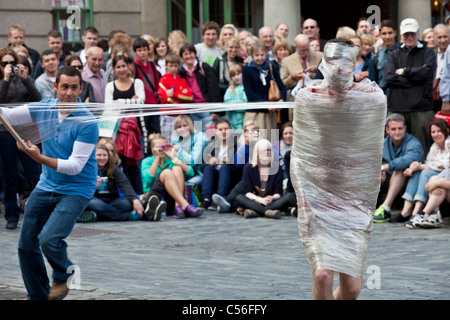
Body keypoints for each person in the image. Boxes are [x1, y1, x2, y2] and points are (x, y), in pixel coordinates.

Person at [290, 38, 387, 300]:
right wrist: (305, 201)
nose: (340, 68)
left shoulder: (372, 100)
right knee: (322, 276)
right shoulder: (308, 99)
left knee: (353, 288)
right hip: (318, 196)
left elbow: (371, 155)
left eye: (346, 62)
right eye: (333, 61)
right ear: (324, 62)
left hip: (353, 199)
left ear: (354, 63)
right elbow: (299, 157)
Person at [0, 66, 99, 300]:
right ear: (55, 87)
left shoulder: (87, 122)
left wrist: (38, 157)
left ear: (81, 88)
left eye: (74, 87)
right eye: (64, 86)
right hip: (47, 186)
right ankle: (37, 296)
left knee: (49, 239)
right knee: (25, 244)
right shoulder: (44, 107)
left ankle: (63, 276)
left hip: (76, 189)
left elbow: (74, 166)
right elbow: (9, 115)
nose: (68, 92)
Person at [0, 47, 41, 230]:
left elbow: (37, 98)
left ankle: (44, 210)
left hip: (25, 131)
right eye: (4, 63)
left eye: (11, 63)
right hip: (4, 131)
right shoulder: (3, 81)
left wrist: (25, 78)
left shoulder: (23, 78)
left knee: (34, 172)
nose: (8, 66)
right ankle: (12, 215)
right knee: (10, 175)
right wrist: (6, 79)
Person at [385, 18, 437, 151]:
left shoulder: (428, 53)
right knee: (394, 148)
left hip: (421, 109)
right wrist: (414, 77)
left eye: (412, 34)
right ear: (401, 35)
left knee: (422, 148)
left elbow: (426, 73)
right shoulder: (393, 54)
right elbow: (390, 77)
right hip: (397, 107)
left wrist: (404, 71)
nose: (409, 37)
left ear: (418, 33)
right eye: (406, 34)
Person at [391, 118, 449, 223]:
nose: (436, 134)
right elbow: (429, 162)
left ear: (446, 131)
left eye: (439, 131)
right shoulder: (434, 147)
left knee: (425, 172)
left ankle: (416, 211)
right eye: (433, 132)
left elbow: (445, 165)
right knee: (418, 172)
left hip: (445, 175)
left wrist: (422, 166)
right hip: (438, 175)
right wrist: (418, 166)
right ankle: (406, 210)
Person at [79, 143, 153, 222]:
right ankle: (136, 215)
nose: (102, 158)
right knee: (90, 202)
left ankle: (99, 216)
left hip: (112, 202)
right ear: (93, 156)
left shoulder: (113, 168)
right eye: (99, 155)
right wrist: (93, 186)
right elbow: (81, 191)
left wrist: (135, 199)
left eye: (105, 155)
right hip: (95, 200)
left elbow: (125, 184)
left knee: (129, 202)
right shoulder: (86, 169)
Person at [105, 55, 146, 195]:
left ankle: (139, 197)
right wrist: (130, 101)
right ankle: (123, 196)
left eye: (124, 66)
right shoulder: (110, 86)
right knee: (117, 164)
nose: (121, 69)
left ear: (129, 67)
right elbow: (109, 107)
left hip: (136, 131)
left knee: (135, 167)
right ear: (114, 69)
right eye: (118, 67)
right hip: (116, 132)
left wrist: (119, 101)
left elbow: (141, 102)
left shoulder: (138, 83)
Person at [374, 113, 426, 222]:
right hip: (387, 181)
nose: (397, 132)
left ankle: (386, 208)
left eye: (400, 128)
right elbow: (373, 160)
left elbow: (409, 159)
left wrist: (384, 167)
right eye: (393, 129)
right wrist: (380, 170)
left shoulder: (413, 142)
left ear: (405, 128)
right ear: (387, 130)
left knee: (400, 169)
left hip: (408, 182)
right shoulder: (381, 144)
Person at [141, 133, 203, 219]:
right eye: (158, 147)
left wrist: (174, 158)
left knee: (177, 168)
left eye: (163, 146)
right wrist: (157, 157)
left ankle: (178, 207)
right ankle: (185, 205)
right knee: (167, 172)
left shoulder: (170, 161)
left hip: (171, 199)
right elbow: (148, 179)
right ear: (152, 149)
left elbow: (190, 173)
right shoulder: (147, 161)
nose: (161, 149)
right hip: (154, 197)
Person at [211, 120, 260, 213]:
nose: (250, 133)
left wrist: (259, 143)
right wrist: (246, 145)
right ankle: (226, 204)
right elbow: (238, 163)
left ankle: (225, 203)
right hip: (245, 179)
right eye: (247, 130)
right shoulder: (242, 145)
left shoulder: (264, 143)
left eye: (253, 129)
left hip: (260, 178)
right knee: (240, 191)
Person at [242, 41, 287, 141]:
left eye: (262, 55)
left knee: (271, 141)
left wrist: (281, 100)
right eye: (256, 55)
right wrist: (265, 103)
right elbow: (249, 93)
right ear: (252, 56)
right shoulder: (246, 69)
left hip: (270, 113)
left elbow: (282, 87)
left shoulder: (272, 68)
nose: (259, 58)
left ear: (266, 54)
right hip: (254, 112)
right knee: (253, 142)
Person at [236, 139, 284, 219]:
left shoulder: (277, 168)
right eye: (263, 150)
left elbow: (278, 192)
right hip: (255, 201)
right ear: (257, 153)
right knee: (240, 197)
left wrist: (272, 198)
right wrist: (260, 200)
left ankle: (256, 212)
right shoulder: (248, 167)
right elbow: (247, 192)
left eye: (268, 150)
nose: (266, 153)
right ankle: (267, 212)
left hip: (271, 202)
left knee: (289, 196)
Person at [179, 43, 221, 130]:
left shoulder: (204, 67)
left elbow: (213, 88)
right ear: (182, 57)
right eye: (185, 54)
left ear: (195, 54)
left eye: (191, 53)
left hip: (206, 109)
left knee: (210, 136)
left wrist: (215, 110)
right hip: (192, 110)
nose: (189, 56)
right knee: (198, 136)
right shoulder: (181, 72)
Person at [200, 119, 240, 211]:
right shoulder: (210, 144)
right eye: (220, 129)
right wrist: (210, 161)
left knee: (225, 167)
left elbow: (241, 164)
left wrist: (229, 161)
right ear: (216, 132)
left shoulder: (237, 144)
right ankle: (206, 199)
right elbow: (202, 164)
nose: (223, 132)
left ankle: (219, 198)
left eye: (226, 129)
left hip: (231, 175)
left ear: (230, 130)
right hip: (216, 175)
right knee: (208, 168)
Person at [157, 52, 193, 139]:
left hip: (181, 116)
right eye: (171, 65)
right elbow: (167, 99)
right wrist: (181, 96)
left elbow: (190, 97)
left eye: (176, 66)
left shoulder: (182, 80)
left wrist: (174, 94)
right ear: (166, 66)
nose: (173, 68)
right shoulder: (163, 80)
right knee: (166, 140)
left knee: (182, 140)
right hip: (168, 115)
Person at [132, 38, 161, 137]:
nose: (142, 53)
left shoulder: (152, 65)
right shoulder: (133, 66)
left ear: (149, 50)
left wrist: (159, 95)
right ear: (135, 52)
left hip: (154, 105)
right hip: (142, 106)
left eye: (144, 49)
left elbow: (157, 84)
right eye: (139, 50)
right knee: (144, 135)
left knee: (156, 133)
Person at [170, 115, 209, 187]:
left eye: (185, 125)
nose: (182, 129)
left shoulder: (201, 138)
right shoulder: (176, 140)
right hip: (182, 171)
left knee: (184, 186)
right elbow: (172, 162)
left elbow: (193, 161)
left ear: (191, 125)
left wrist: (178, 150)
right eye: (179, 127)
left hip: (199, 173)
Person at [281, 34, 323, 100]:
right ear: (296, 48)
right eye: (303, 50)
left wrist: (319, 70)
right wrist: (292, 78)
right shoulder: (287, 61)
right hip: (296, 103)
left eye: (307, 49)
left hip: (316, 102)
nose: (306, 53)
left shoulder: (320, 56)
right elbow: (282, 85)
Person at [368, 20, 399, 96]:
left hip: (401, 99)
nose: (387, 36)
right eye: (384, 33)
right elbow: (372, 84)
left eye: (390, 33)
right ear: (380, 35)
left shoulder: (404, 53)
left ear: (395, 33)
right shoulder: (375, 57)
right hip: (383, 99)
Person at [212, 36, 244, 100]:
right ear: (226, 48)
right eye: (231, 47)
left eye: (236, 47)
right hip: (222, 97)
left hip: (239, 97)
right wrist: (227, 87)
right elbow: (213, 82)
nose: (233, 50)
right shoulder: (219, 61)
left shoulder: (241, 61)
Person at [223, 64, 247, 133]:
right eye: (233, 75)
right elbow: (227, 104)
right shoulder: (229, 90)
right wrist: (240, 102)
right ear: (231, 78)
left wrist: (235, 104)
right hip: (232, 122)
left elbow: (246, 105)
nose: (236, 77)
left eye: (238, 74)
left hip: (245, 120)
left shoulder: (246, 88)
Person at [432, 24, 450, 112]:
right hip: (435, 99)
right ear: (434, 39)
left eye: (445, 37)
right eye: (439, 37)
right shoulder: (431, 55)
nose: (442, 40)